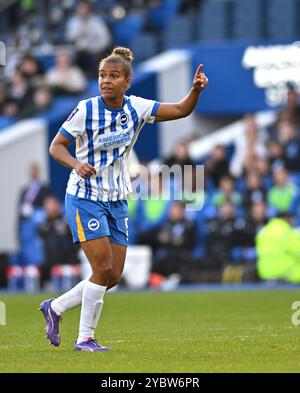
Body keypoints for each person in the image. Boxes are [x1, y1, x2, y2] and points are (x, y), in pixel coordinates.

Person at [39, 46, 208, 352]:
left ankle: (56, 308)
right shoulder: (86, 109)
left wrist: (195, 90)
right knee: (102, 269)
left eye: (113, 76)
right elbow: (56, 146)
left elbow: (182, 109)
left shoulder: (137, 108)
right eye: (102, 75)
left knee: (112, 277)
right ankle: (85, 339)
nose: (106, 81)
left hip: (117, 199)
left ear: (127, 82)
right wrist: (76, 164)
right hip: (84, 197)